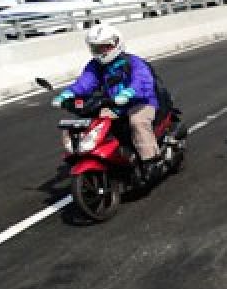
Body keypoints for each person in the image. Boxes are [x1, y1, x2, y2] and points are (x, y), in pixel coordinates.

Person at [53, 25, 166, 183]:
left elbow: (142, 81)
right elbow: (85, 82)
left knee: (137, 122)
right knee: (90, 123)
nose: (101, 51)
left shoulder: (133, 61)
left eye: (105, 46)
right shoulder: (95, 65)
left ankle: (151, 161)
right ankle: (113, 155)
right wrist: (68, 94)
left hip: (140, 101)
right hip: (113, 104)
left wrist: (129, 93)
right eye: (96, 48)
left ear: (116, 43)